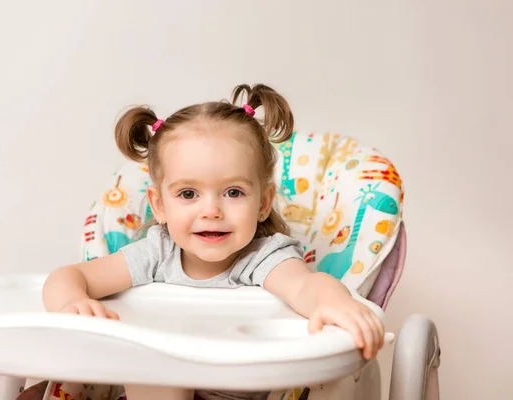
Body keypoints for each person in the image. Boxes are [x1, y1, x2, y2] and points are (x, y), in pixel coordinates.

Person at [38, 84, 384, 400]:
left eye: (233, 192)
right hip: (152, 390)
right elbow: (68, 277)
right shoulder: (156, 253)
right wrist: (72, 304)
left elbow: (307, 286)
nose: (211, 211)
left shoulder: (262, 258)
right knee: (150, 365)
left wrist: (334, 303)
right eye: (188, 194)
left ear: (263, 203)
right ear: (159, 205)